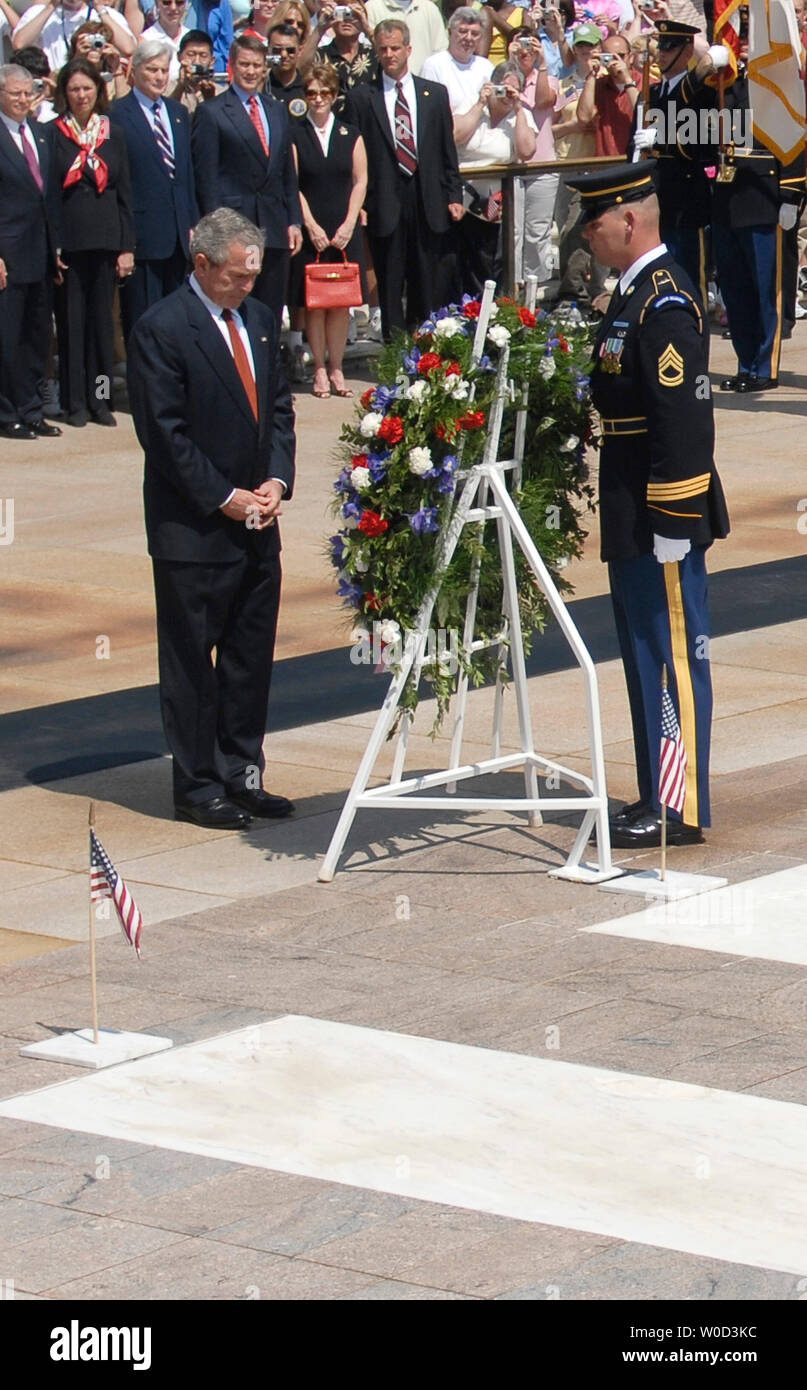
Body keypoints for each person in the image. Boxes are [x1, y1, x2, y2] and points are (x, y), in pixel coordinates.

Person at [567, 162, 729, 848]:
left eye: (594, 220)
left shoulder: (661, 300)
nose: (587, 232)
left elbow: (682, 422)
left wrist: (671, 521)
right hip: (631, 505)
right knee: (642, 652)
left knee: (669, 657)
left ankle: (679, 806)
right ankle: (655, 793)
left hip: (658, 510)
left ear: (628, 219)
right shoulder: (631, 293)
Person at [127, 207, 296, 830]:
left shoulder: (255, 320)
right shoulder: (162, 329)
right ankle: (197, 784)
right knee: (193, 662)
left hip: (257, 523)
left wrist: (276, 481)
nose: (249, 287)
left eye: (254, 274)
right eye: (237, 277)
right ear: (202, 265)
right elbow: (165, 435)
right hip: (195, 530)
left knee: (250, 658)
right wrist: (224, 495)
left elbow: (279, 408)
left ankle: (242, 773)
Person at [692, 41, 806, 393]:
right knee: (735, 290)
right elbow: (694, 114)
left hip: (763, 200)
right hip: (726, 202)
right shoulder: (727, 89)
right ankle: (746, 364)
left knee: (764, 290)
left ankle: (764, 367)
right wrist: (707, 68)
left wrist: (792, 194)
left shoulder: (781, 92)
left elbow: (796, 141)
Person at [345, 19, 464, 337]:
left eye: (395, 47)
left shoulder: (433, 94)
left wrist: (454, 195)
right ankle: (395, 352)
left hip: (428, 198)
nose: (389, 54)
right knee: (390, 280)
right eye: (382, 49)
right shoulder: (362, 97)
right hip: (385, 199)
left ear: (408, 49)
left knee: (428, 280)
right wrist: (360, 203)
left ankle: (427, 346)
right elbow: (355, 155)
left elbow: (446, 151)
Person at [192, 32, 302, 324]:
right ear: (231, 66)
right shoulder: (212, 112)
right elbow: (207, 179)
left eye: (257, 65)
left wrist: (294, 219)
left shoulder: (276, 110)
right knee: (239, 306)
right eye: (244, 65)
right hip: (236, 226)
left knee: (271, 309)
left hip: (275, 224)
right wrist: (217, 231)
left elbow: (286, 171)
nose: (251, 71)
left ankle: (270, 367)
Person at [51, 57, 134, 427]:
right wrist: (52, 244)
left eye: (87, 88)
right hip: (69, 245)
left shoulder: (112, 133)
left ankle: (100, 400)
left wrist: (126, 246)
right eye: (74, 89)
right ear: (64, 94)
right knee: (72, 327)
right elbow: (49, 195)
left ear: (98, 91)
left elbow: (125, 194)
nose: (81, 95)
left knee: (102, 328)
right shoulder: (52, 134)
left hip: (105, 242)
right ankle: (75, 403)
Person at [110, 38, 198, 337]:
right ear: (135, 71)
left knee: (177, 318)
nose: (160, 77)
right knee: (143, 318)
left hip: (177, 235)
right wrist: (124, 242)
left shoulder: (177, 113)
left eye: (164, 70)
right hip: (142, 236)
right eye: (152, 70)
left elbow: (185, 175)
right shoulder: (118, 115)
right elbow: (119, 183)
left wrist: (191, 221)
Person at [290, 61, 367, 397]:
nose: (318, 99)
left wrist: (350, 222)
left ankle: (337, 368)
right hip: (313, 227)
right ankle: (318, 368)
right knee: (314, 302)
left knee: (340, 302)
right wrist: (309, 224)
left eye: (324, 92)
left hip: (343, 226)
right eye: (311, 93)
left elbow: (361, 179)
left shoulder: (351, 133)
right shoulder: (295, 133)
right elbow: (292, 183)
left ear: (334, 95)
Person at [628, 19, 712, 306]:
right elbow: (635, 148)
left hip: (687, 201)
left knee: (689, 277)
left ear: (687, 51)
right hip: (655, 201)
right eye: (660, 46)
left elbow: (704, 141)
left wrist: (661, 138)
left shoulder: (702, 93)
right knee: (659, 279)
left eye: (670, 46)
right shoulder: (649, 95)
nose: (662, 53)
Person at [0, 62, 62, 440]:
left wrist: (55, 248)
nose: (23, 100)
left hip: (40, 253)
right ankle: (8, 413)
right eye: (14, 93)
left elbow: (49, 196)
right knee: (8, 337)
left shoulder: (41, 134)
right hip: (8, 254)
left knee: (38, 336)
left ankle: (32, 409)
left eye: (28, 93)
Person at [454, 59, 537, 291]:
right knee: (463, 262)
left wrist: (519, 108)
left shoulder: (521, 116)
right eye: (501, 88)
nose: (505, 95)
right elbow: (455, 135)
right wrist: (481, 103)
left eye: (512, 90)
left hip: (498, 201)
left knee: (495, 261)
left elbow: (527, 150)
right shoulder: (471, 105)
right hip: (462, 199)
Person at [508, 27, 558, 285]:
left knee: (537, 232)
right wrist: (510, 61)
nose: (525, 50)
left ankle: (536, 287)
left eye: (531, 44)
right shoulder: (505, 76)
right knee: (513, 231)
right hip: (512, 165)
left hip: (543, 164)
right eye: (520, 44)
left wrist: (542, 63)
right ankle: (512, 285)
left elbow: (541, 101)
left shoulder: (547, 77)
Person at [12, 0, 135, 71]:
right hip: (52, 92)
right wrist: (51, 6)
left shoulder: (106, 14)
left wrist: (99, 9)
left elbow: (128, 48)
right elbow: (19, 44)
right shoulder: (39, 12)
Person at [576, 28, 638, 155]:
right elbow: (583, 118)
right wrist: (591, 76)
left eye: (620, 56)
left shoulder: (648, 82)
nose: (616, 61)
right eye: (610, 57)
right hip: (605, 163)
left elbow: (647, 116)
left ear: (631, 58)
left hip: (636, 162)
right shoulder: (597, 85)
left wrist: (627, 79)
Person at [420, 5, 492, 111]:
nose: (468, 38)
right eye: (463, 31)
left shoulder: (486, 66)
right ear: (449, 32)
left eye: (475, 34)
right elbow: (429, 107)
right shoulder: (433, 65)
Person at [316, 2, 379, 102]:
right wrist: (320, 28)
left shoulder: (374, 53)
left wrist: (366, 28)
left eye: (353, 15)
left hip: (367, 116)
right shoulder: (321, 55)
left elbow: (389, 53)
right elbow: (301, 67)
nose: (347, 19)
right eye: (342, 13)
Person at [365, 0, 447, 75]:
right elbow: (368, 52)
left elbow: (440, 52)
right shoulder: (372, 8)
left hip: (424, 84)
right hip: (385, 85)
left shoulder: (429, 8)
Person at [142, 0, 192, 85]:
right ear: (157, 4)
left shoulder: (192, 37)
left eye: (179, 2)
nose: (173, 7)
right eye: (167, 2)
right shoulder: (146, 40)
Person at [172, 26, 217, 111]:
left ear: (212, 60)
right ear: (179, 56)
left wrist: (211, 99)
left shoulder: (221, 92)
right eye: (191, 54)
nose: (196, 61)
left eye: (203, 56)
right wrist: (180, 87)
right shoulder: (167, 88)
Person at [266, 20, 305, 107]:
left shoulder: (308, 87)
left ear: (300, 51)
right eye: (277, 50)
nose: (283, 55)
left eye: (290, 50)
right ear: (268, 50)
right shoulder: (261, 86)